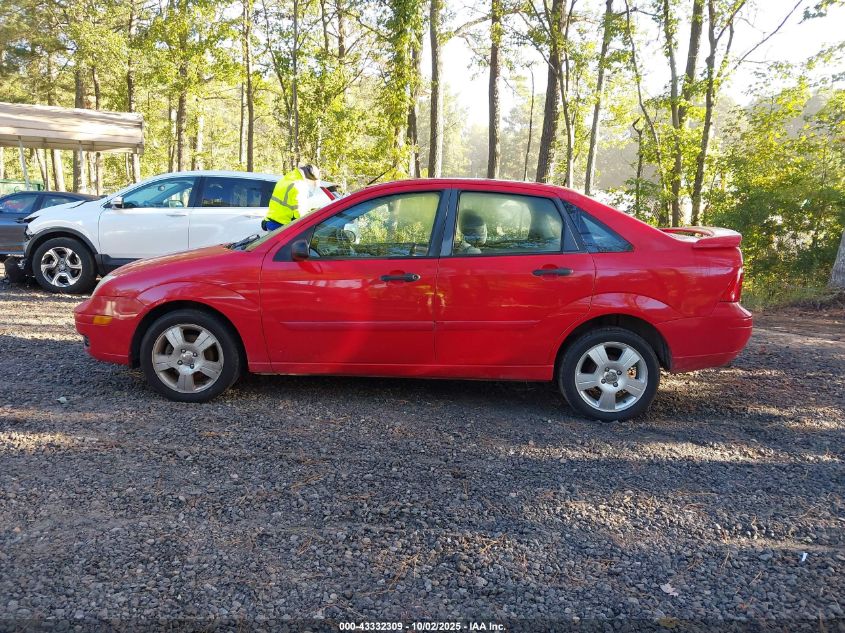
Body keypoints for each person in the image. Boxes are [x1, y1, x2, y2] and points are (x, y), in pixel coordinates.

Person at [262, 164, 321, 231]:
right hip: (282, 227)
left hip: (270, 222)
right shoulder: (300, 185)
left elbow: (287, 204)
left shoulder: (286, 179)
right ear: (310, 178)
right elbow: (299, 215)